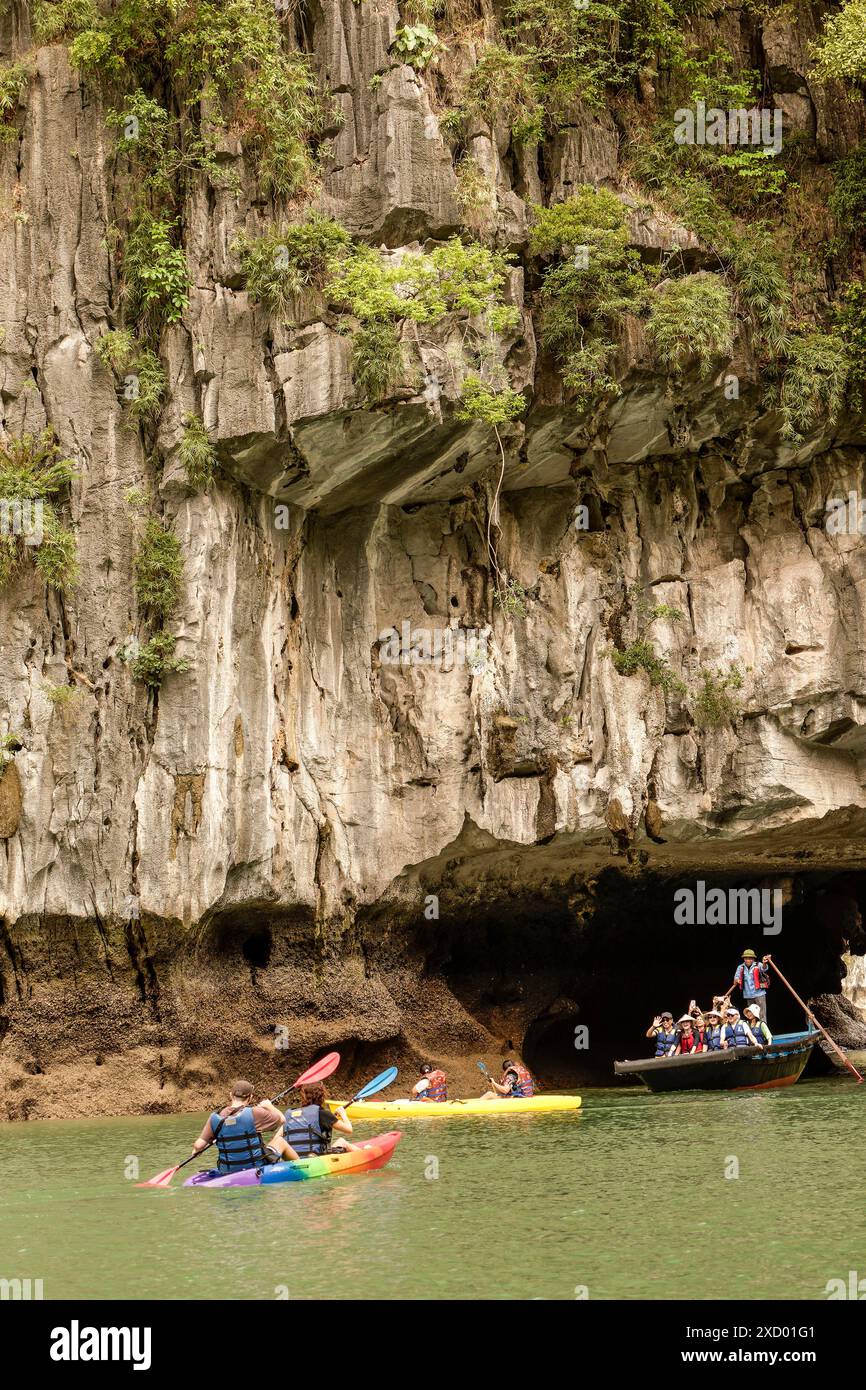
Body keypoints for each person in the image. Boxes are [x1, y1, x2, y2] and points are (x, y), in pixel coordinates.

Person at [191, 1079, 287, 1176]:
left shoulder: (215, 1117)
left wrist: (196, 1151)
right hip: (255, 1167)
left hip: (227, 1171)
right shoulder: (255, 1113)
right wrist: (269, 1106)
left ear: (231, 1095)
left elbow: (198, 1145)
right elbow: (282, 1119)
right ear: (250, 1097)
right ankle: (300, 1166)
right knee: (279, 1141)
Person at [268, 1082, 360, 1159]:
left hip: (293, 1158)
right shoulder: (323, 1113)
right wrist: (343, 1113)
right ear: (321, 1096)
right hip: (315, 1159)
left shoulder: (290, 1115)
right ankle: (367, 1153)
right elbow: (349, 1129)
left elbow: (277, 1138)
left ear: (303, 1096)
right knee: (342, 1141)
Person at [727, 949, 772, 1022]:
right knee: (751, 1015)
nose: (748, 960)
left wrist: (764, 963)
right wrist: (737, 980)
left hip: (759, 994)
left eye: (750, 958)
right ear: (744, 959)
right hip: (748, 995)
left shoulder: (758, 965)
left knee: (762, 1014)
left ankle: (763, 1030)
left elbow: (764, 968)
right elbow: (736, 978)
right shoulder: (740, 967)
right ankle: (754, 1030)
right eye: (746, 958)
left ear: (753, 959)